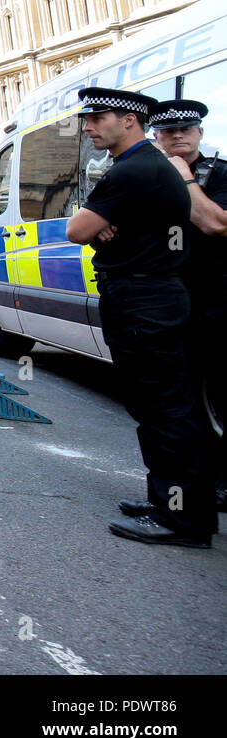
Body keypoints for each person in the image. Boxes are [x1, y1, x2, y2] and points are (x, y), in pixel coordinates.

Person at [65, 87, 214, 548]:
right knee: (159, 409)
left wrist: (98, 225)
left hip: (143, 300)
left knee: (165, 411)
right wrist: (100, 224)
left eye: (97, 118)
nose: (88, 127)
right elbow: (92, 225)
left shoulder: (135, 170)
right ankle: (167, 502)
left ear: (129, 119)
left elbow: (76, 229)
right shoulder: (144, 167)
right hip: (149, 297)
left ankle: (183, 520)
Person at [150, 98, 227, 511]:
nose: (178, 136)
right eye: (168, 131)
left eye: (186, 130)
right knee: (181, 402)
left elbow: (215, 223)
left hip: (215, 300)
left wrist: (184, 179)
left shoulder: (220, 175)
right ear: (156, 137)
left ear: (199, 134)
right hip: (166, 304)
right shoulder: (146, 176)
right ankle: (197, 483)